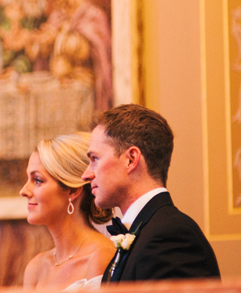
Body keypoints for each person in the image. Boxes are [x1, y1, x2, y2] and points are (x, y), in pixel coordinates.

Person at [83, 104, 220, 282]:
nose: (86, 174)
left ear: (131, 159)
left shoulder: (171, 236)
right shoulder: (148, 231)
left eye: (95, 159)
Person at [21, 133, 114, 290]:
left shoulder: (100, 257)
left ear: (72, 190)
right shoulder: (36, 268)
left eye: (37, 180)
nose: (23, 191)